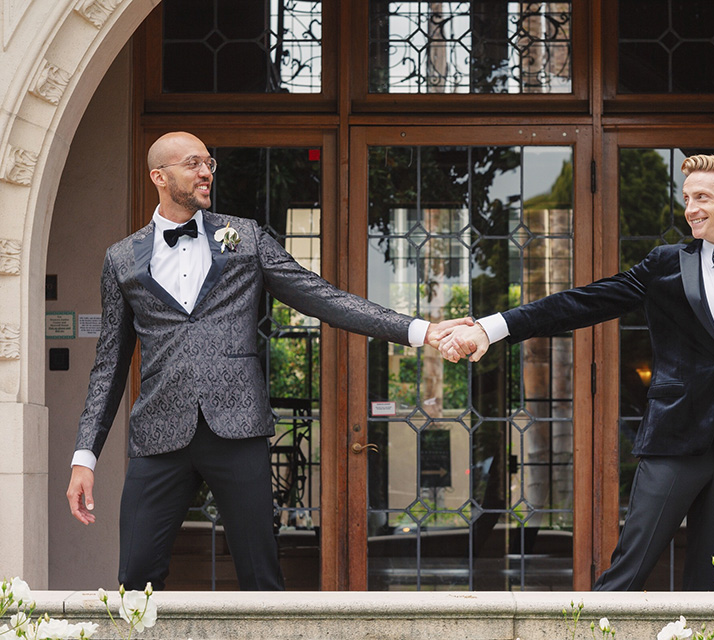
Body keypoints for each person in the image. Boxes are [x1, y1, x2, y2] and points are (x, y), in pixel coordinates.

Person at [66, 131, 471, 591]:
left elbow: (323, 298)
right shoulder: (121, 259)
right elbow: (109, 365)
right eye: (193, 163)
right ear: (159, 176)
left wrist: (420, 330)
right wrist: (85, 456)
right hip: (159, 437)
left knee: (262, 580)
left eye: (209, 163)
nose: (205, 172)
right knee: (135, 576)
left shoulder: (247, 238)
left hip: (238, 431)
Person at [437, 154, 714, 591]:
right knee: (627, 574)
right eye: (686, 198)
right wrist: (492, 329)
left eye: (702, 197)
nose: (691, 208)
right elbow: (584, 302)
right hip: (673, 440)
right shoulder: (666, 264)